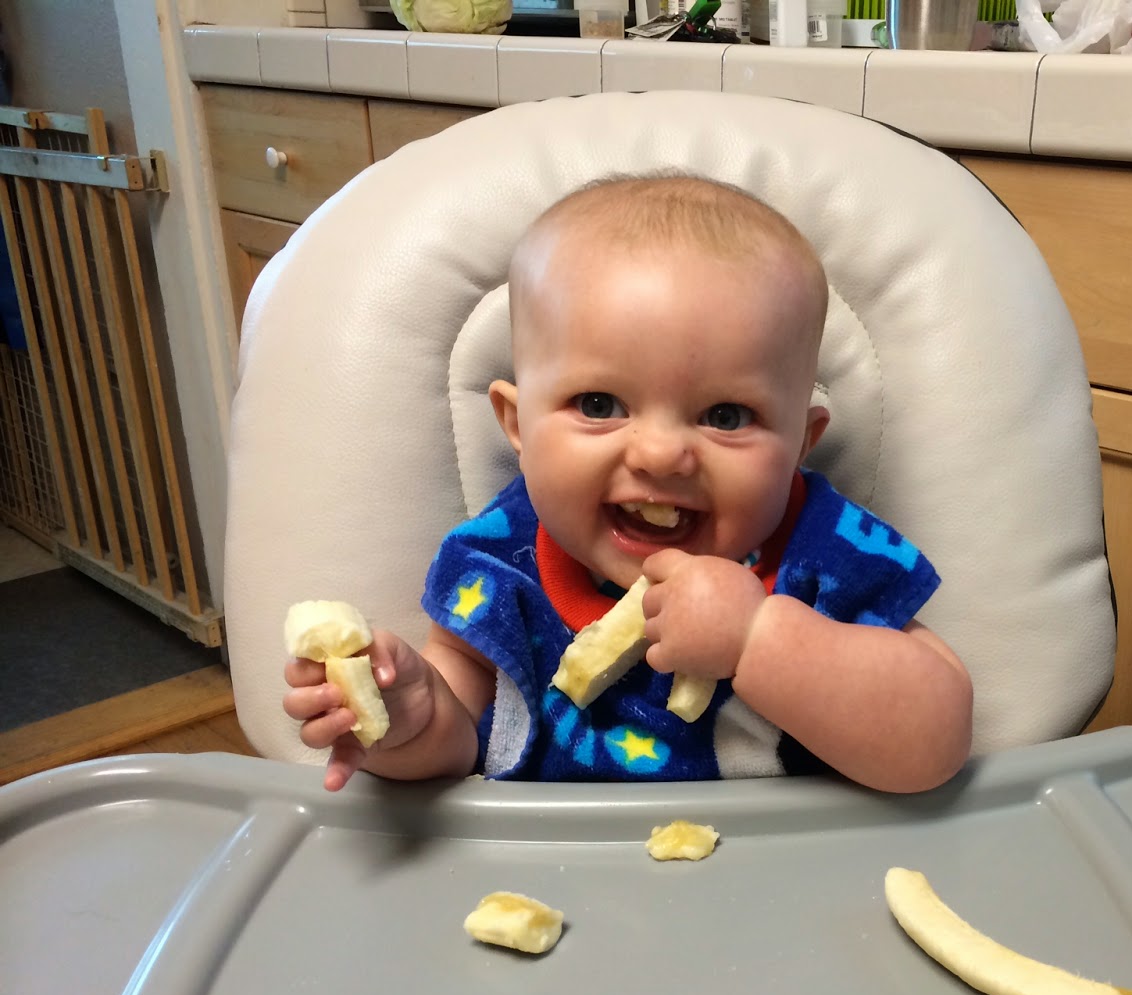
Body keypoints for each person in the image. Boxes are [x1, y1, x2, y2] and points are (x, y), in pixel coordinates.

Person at [284, 174, 972, 794]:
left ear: (801, 443)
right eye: (599, 405)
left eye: (726, 416)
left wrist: (761, 639)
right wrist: (408, 719)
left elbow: (936, 743)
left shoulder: (825, 555)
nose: (660, 454)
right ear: (517, 423)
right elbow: (458, 743)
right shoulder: (500, 566)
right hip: (549, 876)